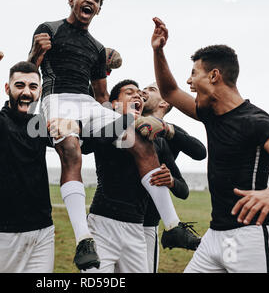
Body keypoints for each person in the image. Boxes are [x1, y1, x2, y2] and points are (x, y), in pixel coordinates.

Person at [27, 0, 184, 271]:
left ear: (99, 9)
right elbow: (30, 76)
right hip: (57, 100)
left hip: (88, 104)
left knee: (139, 136)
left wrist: (109, 128)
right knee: (72, 149)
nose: (90, 0)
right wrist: (35, 54)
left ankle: (173, 224)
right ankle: (84, 240)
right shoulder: (48, 29)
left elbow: (100, 95)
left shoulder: (98, 48)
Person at [150, 17, 269, 273]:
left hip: (251, 238)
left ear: (214, 75)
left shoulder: (255, 121)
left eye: (193, 74)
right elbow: (169, 92)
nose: (189, 83)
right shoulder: (210, 114)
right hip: (213, 237)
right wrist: (158, 51)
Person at [0, 47, 77, 273]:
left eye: (32, 87)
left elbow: (81, 145)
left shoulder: (39, 125)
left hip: (42, 232)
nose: (26, 92)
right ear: (8, 89)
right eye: (20, 86)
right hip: (4, 233)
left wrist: (73, 125)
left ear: (39, 92)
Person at [81, 80, 201, 273]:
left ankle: (173, 226)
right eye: (130, 92)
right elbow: (91, 141)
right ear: (113, 104)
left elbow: (188, 178)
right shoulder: (107, 128)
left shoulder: (157, 140)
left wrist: (170, 180)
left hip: (139, 226)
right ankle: (173, 225)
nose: (139, 95)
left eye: (142, 93)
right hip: (103, 222)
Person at [141, 82, 207, 273]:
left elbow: (200, 152)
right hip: (114, 215)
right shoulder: (124, 123)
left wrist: (166, 129)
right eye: (142, 88)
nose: (143, 91)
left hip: (148, 222)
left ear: (164, 103)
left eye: (152, 89)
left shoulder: (169, 134)